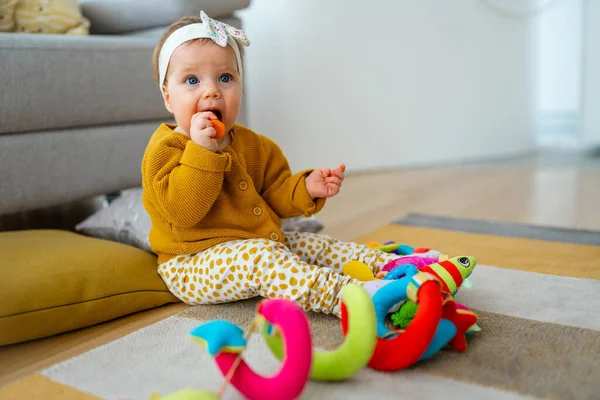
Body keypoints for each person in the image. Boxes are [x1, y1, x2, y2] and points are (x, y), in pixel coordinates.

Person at [141, 11, 402, 317]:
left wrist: (304, 188)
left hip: (256, 242)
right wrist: (203, 152)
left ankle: (395, 266)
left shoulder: (256, 146)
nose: (211, 90)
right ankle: (349, 298)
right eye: (192, 80)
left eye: (226, 78)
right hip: (191, 264)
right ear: (168, 97)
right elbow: (183, 212)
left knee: (313, 245)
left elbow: (273, 196)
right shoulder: (165, 149)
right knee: (262, 258)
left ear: (241, 87)